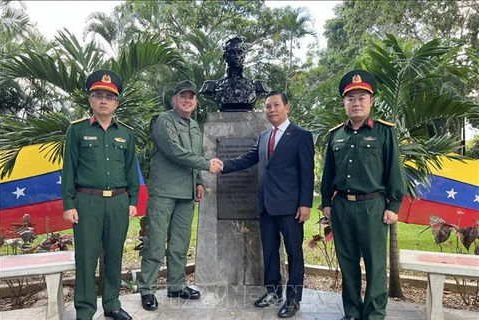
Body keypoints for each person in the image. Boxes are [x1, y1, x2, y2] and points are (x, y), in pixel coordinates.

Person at [220, 91, 315, 318]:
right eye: (268, 106)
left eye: (276, 105)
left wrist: (305, 204)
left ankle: (293, 299)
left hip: (291, 207)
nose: (271, 110)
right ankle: (273, 291)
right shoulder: (264, 136)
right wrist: (221, 165)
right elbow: (248, 159)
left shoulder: (301, 135)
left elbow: (307, 173)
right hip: (266, 206)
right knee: (269, 252)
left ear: (286, 108)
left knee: (294, 254)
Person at [320, 70, 404, 320]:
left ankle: (374, 314)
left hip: (373, 207)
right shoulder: (336, 135)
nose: (356, 103)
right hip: (342, 207)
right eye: (351, 99)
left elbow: (393, 170)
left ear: (371, 101)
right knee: (347, 264)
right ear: (344, 103)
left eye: (361, 98)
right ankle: (352, 312)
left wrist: (394, 205)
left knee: (376, 264)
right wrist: (326, 201)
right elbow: (328, 172)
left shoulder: (383, 132)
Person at [138, 80, 222, 311]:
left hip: (186, 193)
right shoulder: (163, 120)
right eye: (183, 96)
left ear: (195, 102)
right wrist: (206, 165)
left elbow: (195, 153)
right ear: (174, 99)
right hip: (164, 191)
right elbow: (175, 151)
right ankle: (147, 289)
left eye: (191, 97)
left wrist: (198, 182)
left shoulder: (194, 125)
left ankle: (176, 285)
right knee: (155, 242)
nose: (187, 100)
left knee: (179, 243)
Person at [62, 70, 139, 320]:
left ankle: (112, 304)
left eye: (109, 96)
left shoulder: (125, 134)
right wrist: (69, 204)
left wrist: (133, 201)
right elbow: (69, 168)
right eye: (98, 95)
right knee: (86, 257)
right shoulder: (76, 130)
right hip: (87, 201)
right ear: (90, 101)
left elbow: (130, 169)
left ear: (116, 102)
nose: (103, 100)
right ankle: (84, 310)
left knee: (115, 254)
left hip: (118, 201)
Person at [199, 35, 269, 111]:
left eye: (240, 52)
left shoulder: (258, 86)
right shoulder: (211, 86)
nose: (237, 56)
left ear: (244, 56)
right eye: (232, 52)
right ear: (225, 56)